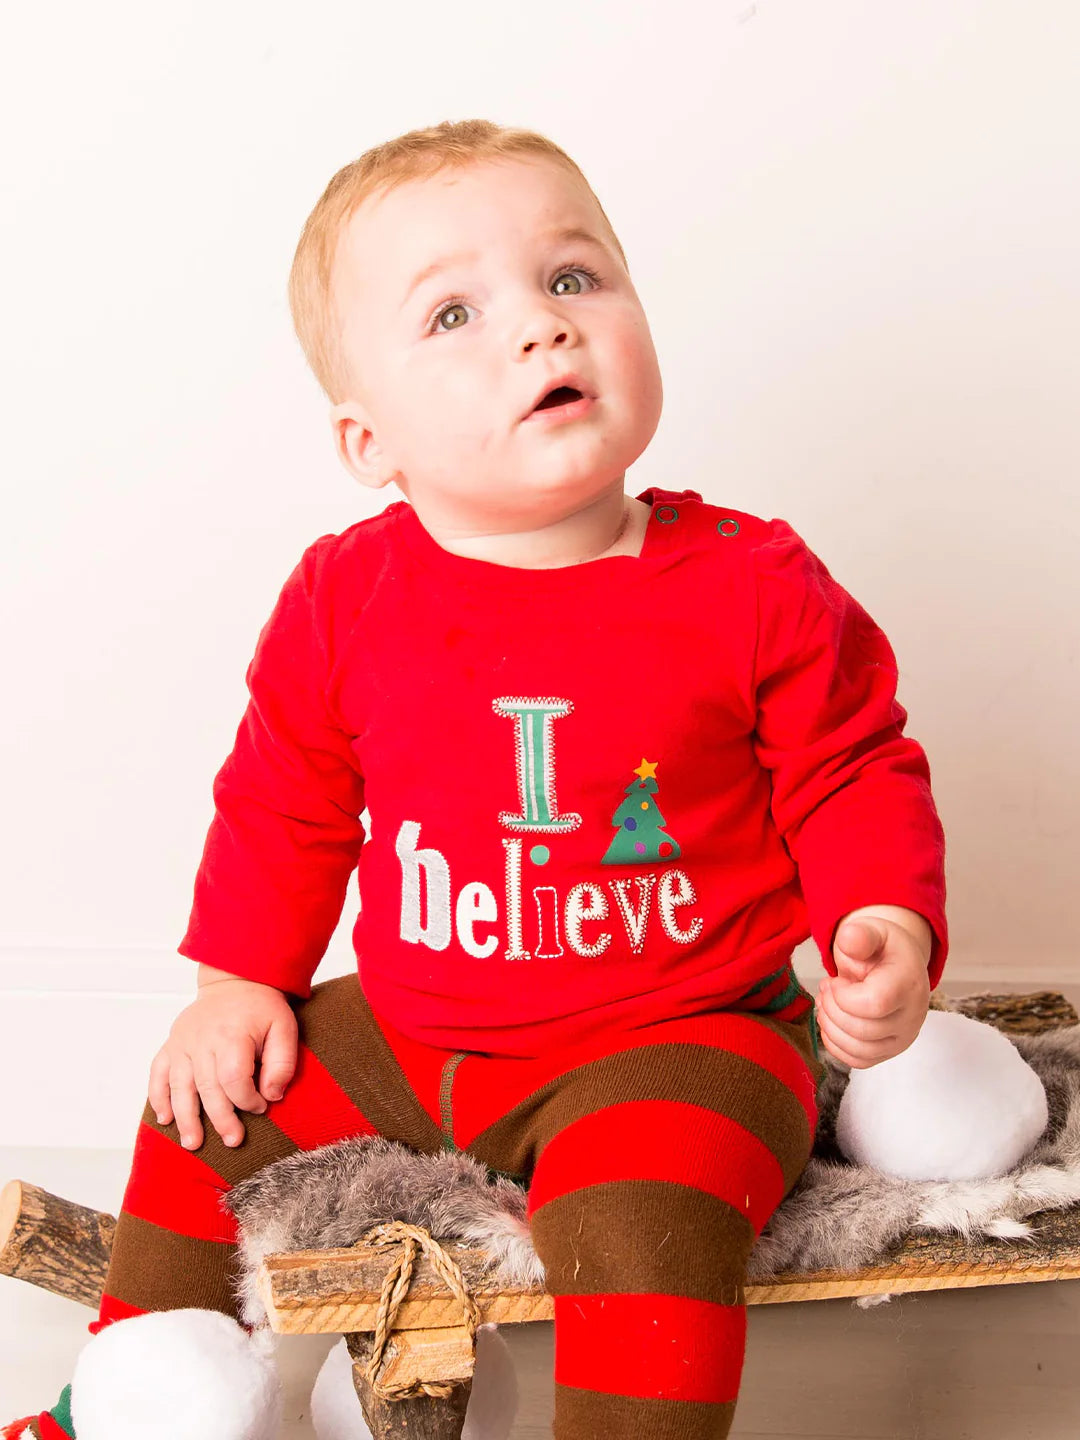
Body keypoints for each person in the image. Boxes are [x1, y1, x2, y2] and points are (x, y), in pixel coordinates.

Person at [6, 118, 947, 1440]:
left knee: (639, 1215)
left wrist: (882, 916)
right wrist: (238, 983)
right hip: (419, 1032)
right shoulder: (347, 598)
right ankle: (126, 1397)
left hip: (685, 1031)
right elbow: (285, 802)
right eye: (454, 313)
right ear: (368, 441)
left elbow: (850, 767)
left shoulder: (748, 583)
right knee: (205, 1106)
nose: (542, 326)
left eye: (574, 278)